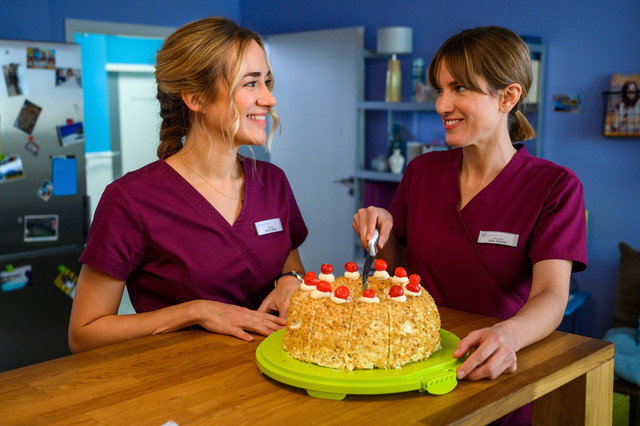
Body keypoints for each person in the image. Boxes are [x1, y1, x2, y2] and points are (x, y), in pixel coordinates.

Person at [353, 26, 587, 425]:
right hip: (414, 364)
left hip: (493, 366)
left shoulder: (556, 187)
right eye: (439, 90)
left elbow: (551, 295)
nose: (443, 104)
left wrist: (508, 336)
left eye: (459, 88)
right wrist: (382, 231)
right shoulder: (422, 171)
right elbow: (397, 269)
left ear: (508, 97)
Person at [69, 17, 307, 353]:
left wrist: (291, 281)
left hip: (274, 375)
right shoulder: (130, 200)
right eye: (251, 84)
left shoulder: (273, 182)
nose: (270, 99)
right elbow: (84, 333)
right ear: (196, 98)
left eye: (267, 82)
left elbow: (292, 266)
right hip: (182, 391)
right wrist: (195, 311)